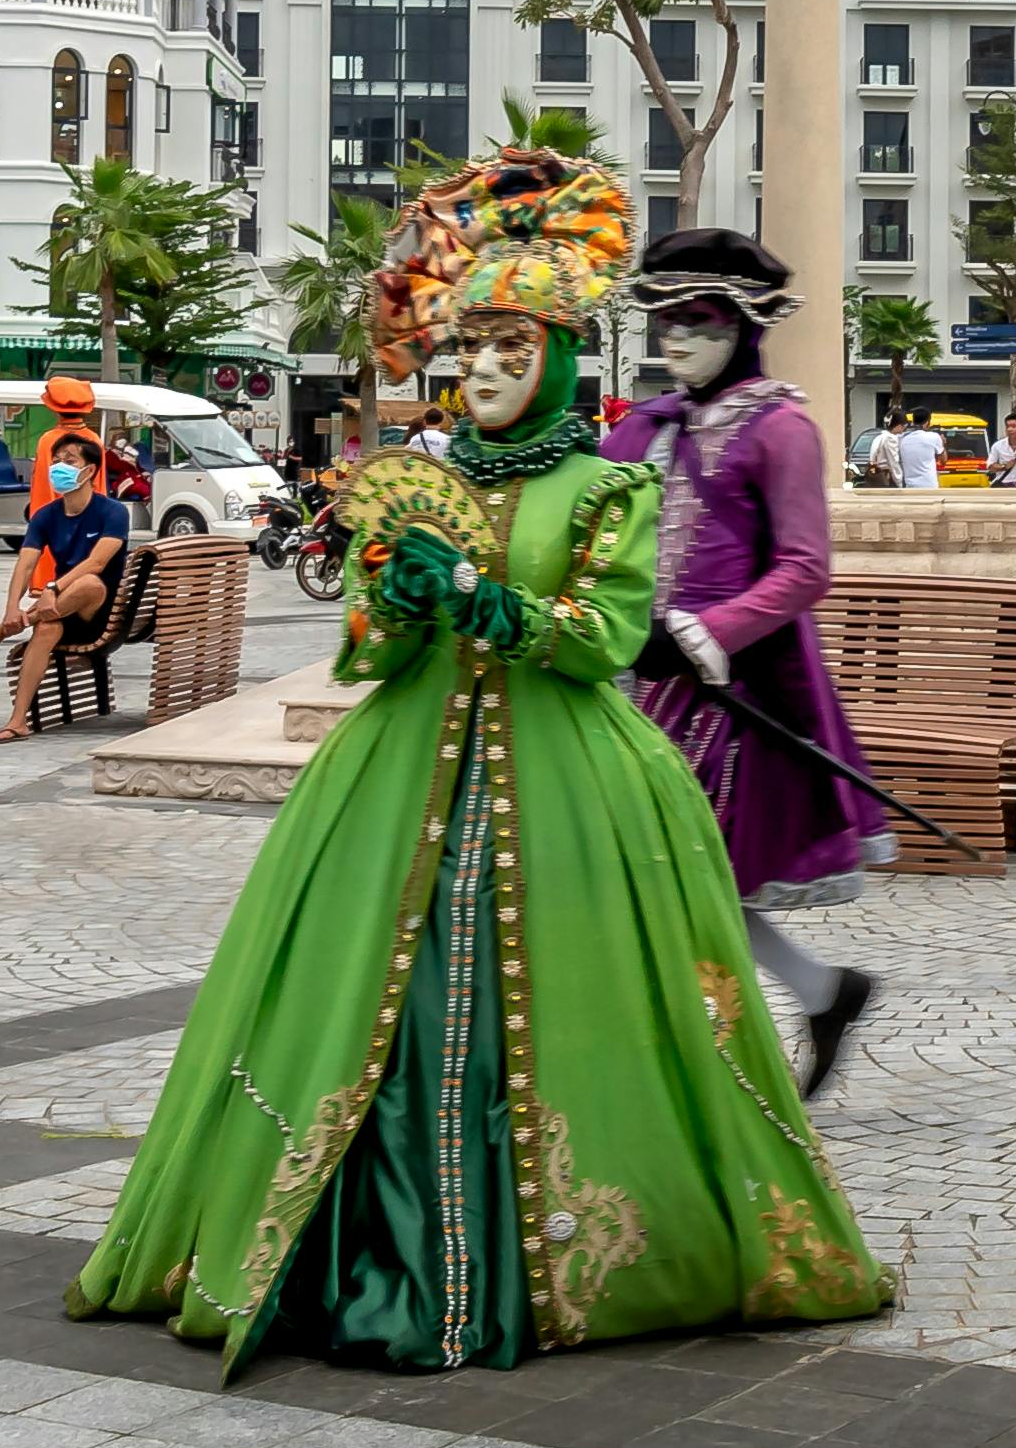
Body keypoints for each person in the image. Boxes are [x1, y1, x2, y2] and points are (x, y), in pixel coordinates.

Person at [67, 152, 890, 1373]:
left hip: (581, 766)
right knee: (358, 996)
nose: (492, 368)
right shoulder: (448, 474)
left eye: (518, 347)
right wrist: (393, 598)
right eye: (476, 349)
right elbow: (374, 658)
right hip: (396, 778)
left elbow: (601, 639)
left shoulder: (612, 481)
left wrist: (484, 592)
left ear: (557, 356)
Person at [610, 227, 887, 1093]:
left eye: (697, 321)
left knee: (678, 872)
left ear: (741, 326)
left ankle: (698, 1053)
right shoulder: (645, 427)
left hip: (737, 698)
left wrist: (710, 631)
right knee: (675, 874)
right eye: (665, 323)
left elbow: (806, 567)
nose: (676, 341)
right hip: (640, 684)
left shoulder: (781, 428)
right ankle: (817, 992)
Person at [0, 431, 135, 741]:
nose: (58, 467)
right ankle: (17, 720)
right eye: (56, 461)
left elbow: (97, 564)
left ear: (89, 471)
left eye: (69, 460)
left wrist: (52, 588)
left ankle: (0, 631)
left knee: (88, 583)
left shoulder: (113, 512)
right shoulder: (45, 516)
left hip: (101, 612)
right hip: (58, 611)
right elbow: (25, 563)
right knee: (47, 627)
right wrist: (11, 608)